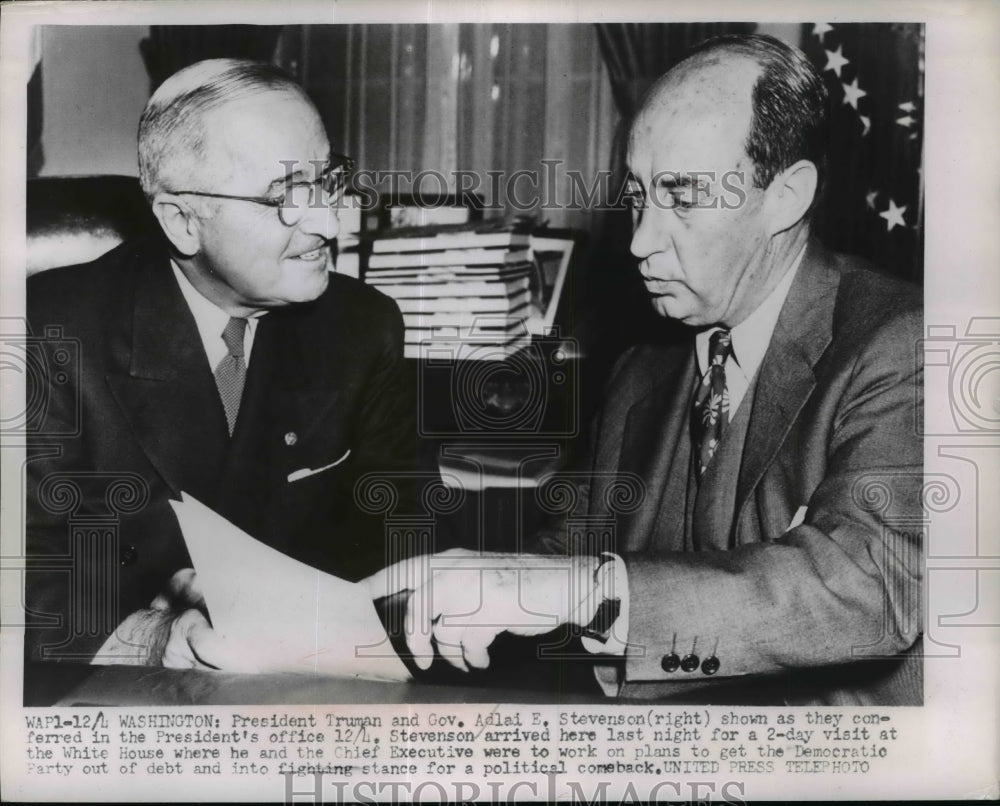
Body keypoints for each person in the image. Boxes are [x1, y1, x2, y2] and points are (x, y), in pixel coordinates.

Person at [367, 33, 923, 705]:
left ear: (786, 195)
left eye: (681, 198)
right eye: (637, 198)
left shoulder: (904, 344)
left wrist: (583, 592)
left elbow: (870, 587)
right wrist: (459, 580)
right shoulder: (642, 372)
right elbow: (570, 552)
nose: (639, 241)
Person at [25, 59, 415, 668]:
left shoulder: (364, 327)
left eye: (329, 180)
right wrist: (153, 640)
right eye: (284, 196)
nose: (328, 221)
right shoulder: (43, 334)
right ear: (182, 220)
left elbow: (403, 525)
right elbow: (20, 571)